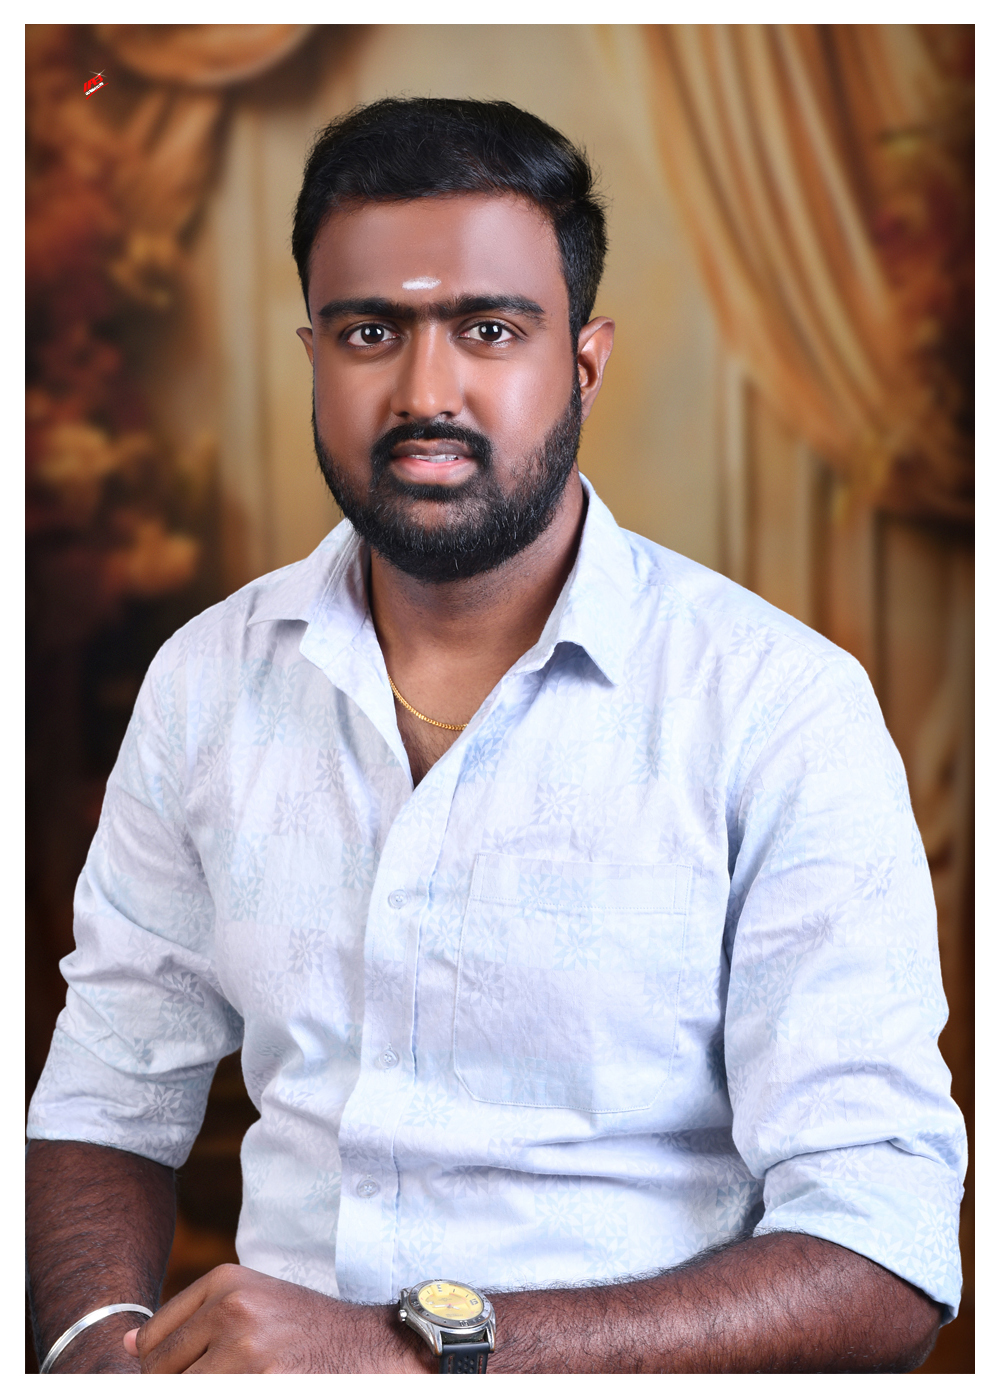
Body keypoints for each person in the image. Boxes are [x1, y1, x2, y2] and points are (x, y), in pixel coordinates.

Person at [26, 97, 965, 1375]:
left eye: (489, 330)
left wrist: (404, 1352)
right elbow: (107, 1097)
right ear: (313, 354)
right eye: (370, 331)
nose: (426, 392)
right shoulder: (207, 678)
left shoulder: (776, 704)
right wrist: (93, 1352)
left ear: (584, 361)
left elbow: (884, 1253)